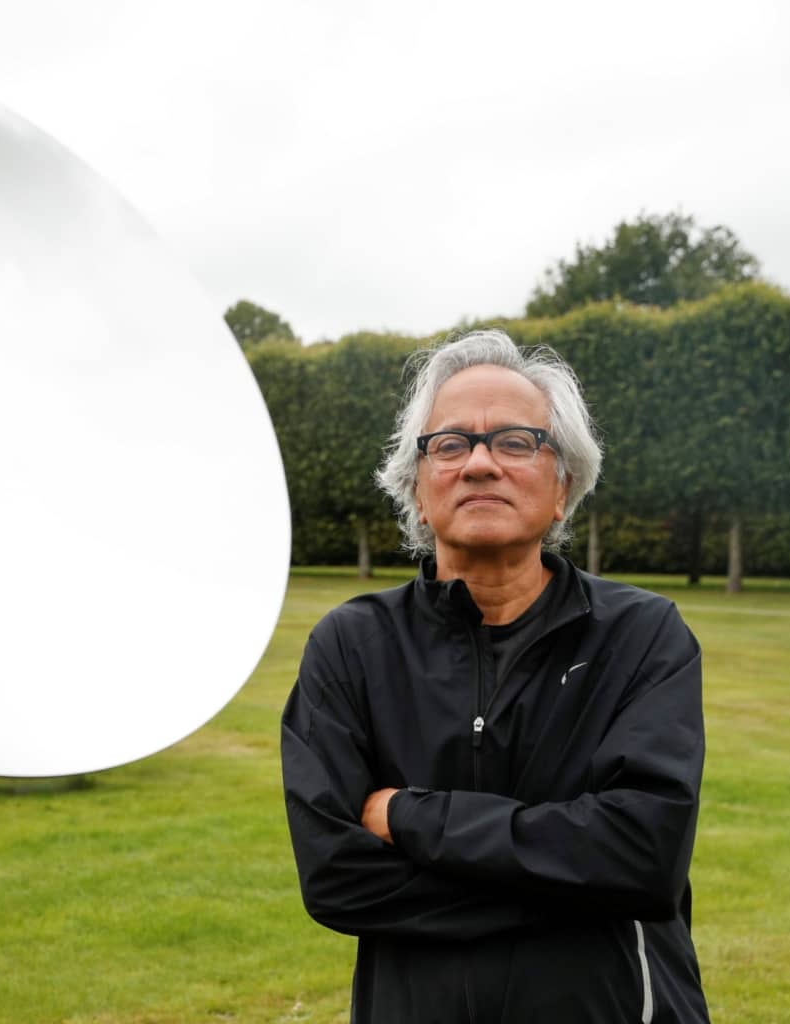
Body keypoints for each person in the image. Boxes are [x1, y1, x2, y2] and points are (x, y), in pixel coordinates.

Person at [281, 329, 709, 1023]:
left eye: (515, 442)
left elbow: (642, 856)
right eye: (449, 445)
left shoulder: (640, 636)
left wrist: (410, 815)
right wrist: (572, 880)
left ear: (563, 485)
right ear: (418, 491)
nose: (480, 463)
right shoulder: (352, 646)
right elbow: (338, 881)